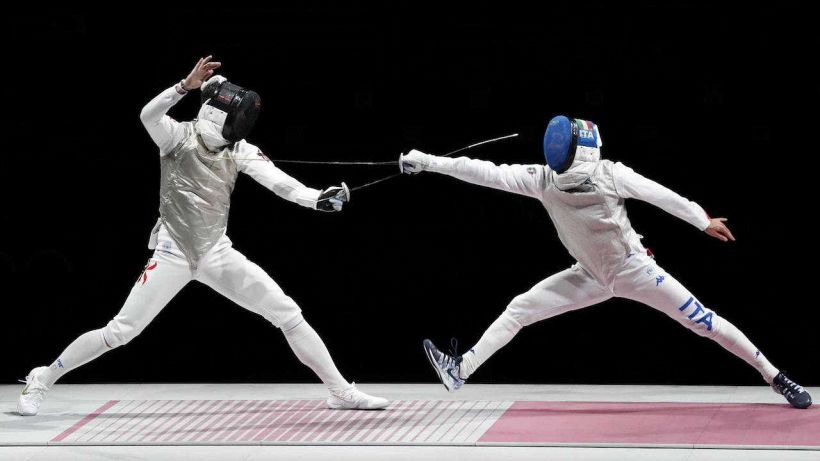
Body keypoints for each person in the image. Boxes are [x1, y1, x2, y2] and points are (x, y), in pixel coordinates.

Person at [17, 56, 388, 415]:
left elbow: (280, 183)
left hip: (216, 253)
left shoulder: (240, 150)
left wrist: (317, 199)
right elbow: (148, 115)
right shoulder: (176, 136)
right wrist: (183, 87)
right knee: (120, 332)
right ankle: (42, 377)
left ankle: (340, 391)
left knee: (287, 313)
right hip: (172, 253)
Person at [400, 116, 811, 409]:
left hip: (636, 271)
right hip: (590, 276)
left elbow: (661, 196)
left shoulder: (584, 177)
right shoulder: (552, 178)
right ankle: (461, 369)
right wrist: (429, 162)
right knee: (520, 308)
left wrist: (701, 220)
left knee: (705, 322)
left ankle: (775, 376)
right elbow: (483, 171)